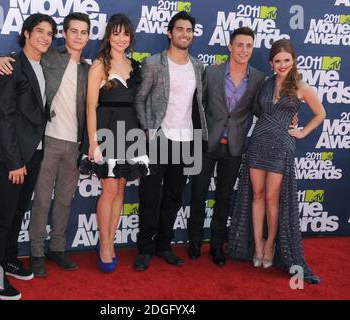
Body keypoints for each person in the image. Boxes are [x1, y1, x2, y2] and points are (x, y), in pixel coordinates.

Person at [0, 13, 91, 277]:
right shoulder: (49, 57)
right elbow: (23, 59)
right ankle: (36, 252)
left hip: (75, 144)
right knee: (40, 202)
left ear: (88, 36)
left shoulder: (89, 69)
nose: (78, 37)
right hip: (46, 140)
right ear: (65, 34)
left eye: (84, 32)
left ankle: (57, 249)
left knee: (63, 201)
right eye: (74, 31)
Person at [227, 39, 325, 284]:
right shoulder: (264, 84)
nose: (282, 65)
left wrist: (301, 132)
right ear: (271, 63)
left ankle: (270, 245)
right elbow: (258, 111)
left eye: (287, 60)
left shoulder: (301, 87)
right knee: (257, 195)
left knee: (272, 198)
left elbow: (320, 113)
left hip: (282, 146)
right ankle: (257, 244)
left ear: (293, 61)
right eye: (278, 61)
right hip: (258, 143)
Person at [0, 13, 57, 300]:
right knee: (2, 217)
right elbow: (5, 117)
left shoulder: (43, 64)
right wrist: (15, 162)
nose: (45, 37)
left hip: (35, 153)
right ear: (26, 33)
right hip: (11, 156)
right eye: (39, 31)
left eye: (50, 33)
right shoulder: (11, 66)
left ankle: (9, 259)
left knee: (16, 213)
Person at [133, 11, 208, 271]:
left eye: (189, 30)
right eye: (180, 29)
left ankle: (163, 245)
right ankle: (144, 249)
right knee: (150, 195)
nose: (184, 34)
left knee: (174, 197)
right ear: (169, 33)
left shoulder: (198, 66)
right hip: (159, 138)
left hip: (186, 139)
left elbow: (199, 104)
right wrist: (146, 130)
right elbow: (140, 98)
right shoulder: (154, 63)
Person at [187, 27, 266, 265]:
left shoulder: (259, 79)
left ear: (252, 49)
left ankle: (217, 247)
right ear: (230, 47)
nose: (244, 50)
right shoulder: (211, 73)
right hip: (206, 144)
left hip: (234, 147)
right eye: (239, 45)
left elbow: (261, 110)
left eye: (249, 46)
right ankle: (194, 242)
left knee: (223, 198)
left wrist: (287, 113)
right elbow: (196, 107)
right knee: (198, 195)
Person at [78, 13, 149, 272]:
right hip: (106, 131)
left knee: (120, 189)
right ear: (108, 36)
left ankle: (110, 242)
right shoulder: (99, 65)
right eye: (116, 33)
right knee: (108, 190)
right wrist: (93, 141)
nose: (121, 38)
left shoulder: (135, 65)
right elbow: (90, 106)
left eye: (125, 33)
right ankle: (105, 246)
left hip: (130, 132)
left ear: (131, 37)